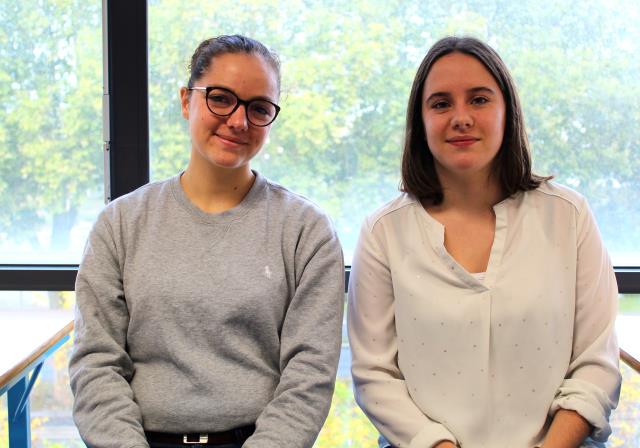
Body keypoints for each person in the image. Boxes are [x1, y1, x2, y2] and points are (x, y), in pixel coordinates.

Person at [69, 35, 344, 448]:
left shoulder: (306, 231)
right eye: (220, 98)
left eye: (259, 108)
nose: (238, 121)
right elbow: (96, 364)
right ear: (186, 101)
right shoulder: (120, 224)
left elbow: (309, 377)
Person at [347, 36, 621, 448]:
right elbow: (374, 376)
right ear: (419, 123)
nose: (461, 118)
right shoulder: (383, 232)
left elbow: (596, 363)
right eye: (440, 103)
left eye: (479, 99)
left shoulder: (570, 216)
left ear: (507, 111)